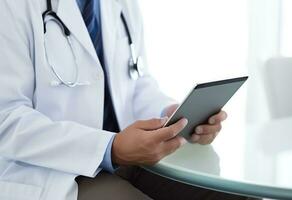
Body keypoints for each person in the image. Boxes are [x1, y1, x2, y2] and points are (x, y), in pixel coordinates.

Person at [0, 0, 257, 199]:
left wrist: (170, 115)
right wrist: (109, 147)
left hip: (128, 157)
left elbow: (134, 82)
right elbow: (7, 120)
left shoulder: (119, 4)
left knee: (235, 195)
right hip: (47, 171)